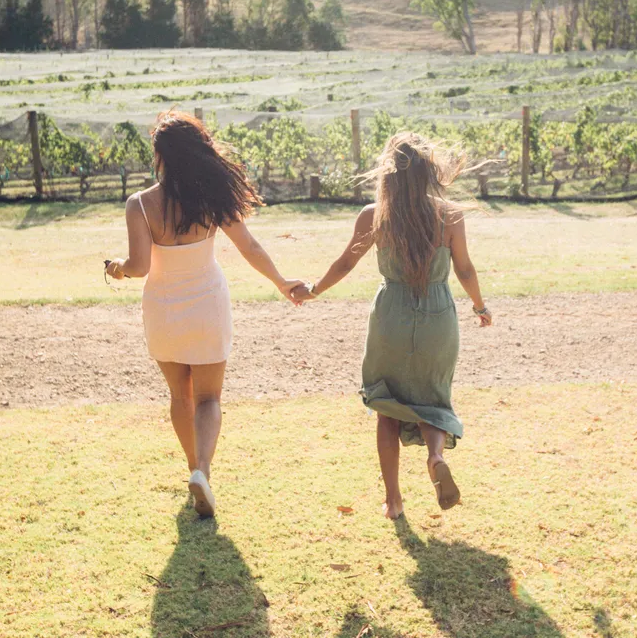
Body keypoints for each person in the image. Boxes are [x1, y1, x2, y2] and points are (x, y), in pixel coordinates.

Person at [106, 112, 304, 518]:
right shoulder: (212, 195)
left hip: (162, 306)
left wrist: (117, 269)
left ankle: (192, 468)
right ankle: (203, 471)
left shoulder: (140, 204)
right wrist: (281, 282)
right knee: (210, 397)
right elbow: (249, 247)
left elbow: (140, 266)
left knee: (181, 394)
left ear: (161, 156)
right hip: (207, 303)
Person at [292, 133, 492, 519]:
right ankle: (435, 457)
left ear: (389, 175)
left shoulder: (374, 215)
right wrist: (480, 306)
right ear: (429, 173)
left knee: (387, 407)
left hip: (391, 317)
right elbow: (464, 268)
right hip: (438, 315)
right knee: (432, 401)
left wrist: (314, 290)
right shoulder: (449, 215)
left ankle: (394, 501)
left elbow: (345, 265)